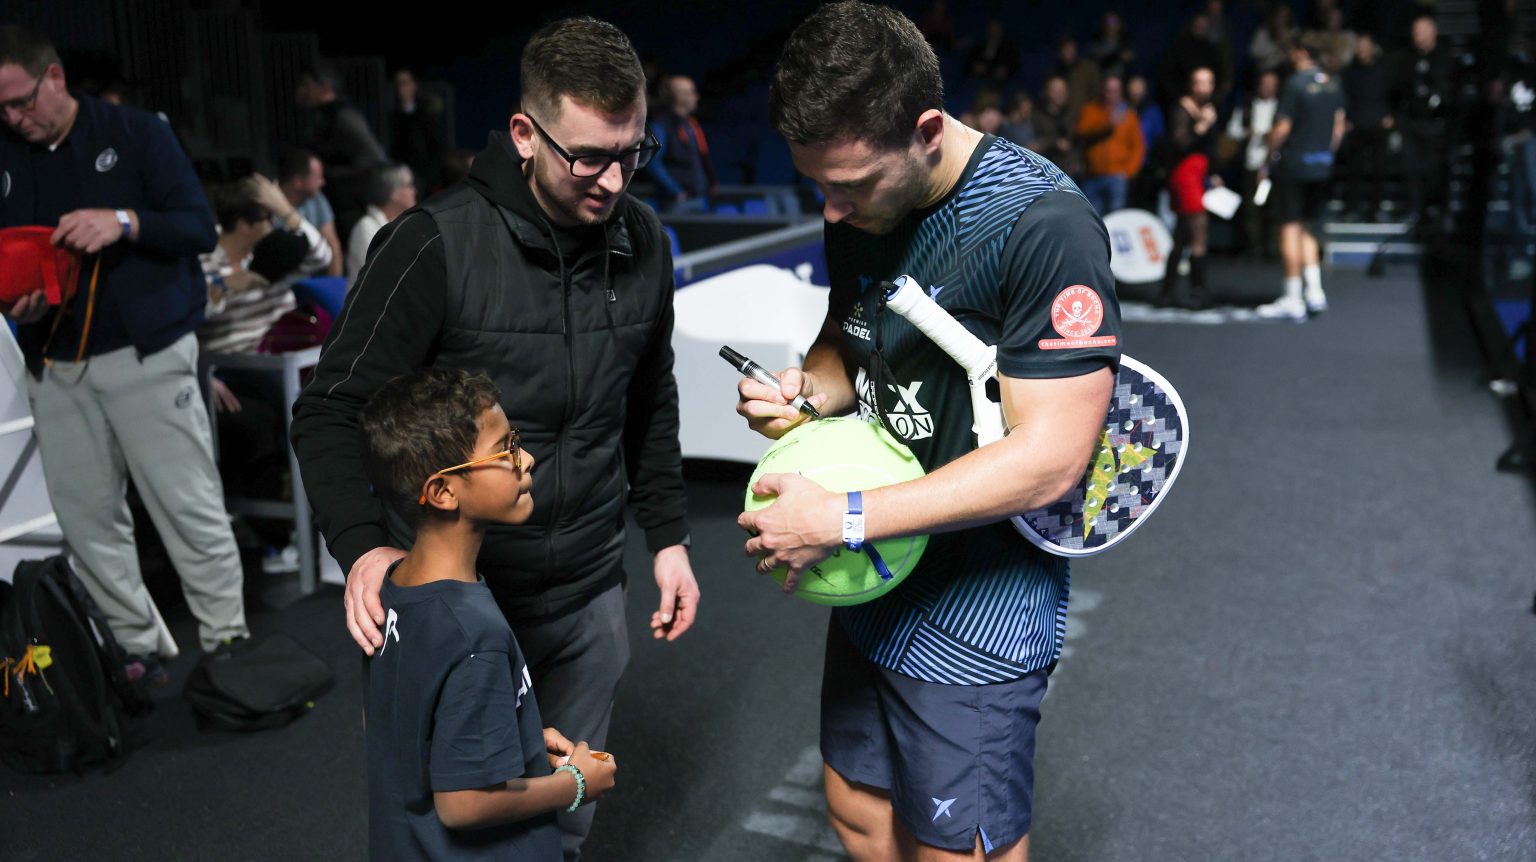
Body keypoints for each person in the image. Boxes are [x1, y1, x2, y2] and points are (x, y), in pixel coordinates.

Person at [289, 18, 699, 861]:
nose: (613, 179)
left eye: (632, 153)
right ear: (524, 133)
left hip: (588, 587)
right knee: (443, 830)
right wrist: (362, 546)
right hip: (458, 603)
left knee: (559, 828)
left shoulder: (644, 240)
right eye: (588, 157)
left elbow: (648, 397)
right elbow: (330, 409)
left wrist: (667, 536)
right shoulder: (432, 243)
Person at [746, 4, 1120, 860]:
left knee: (956, 851)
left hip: (977, 610)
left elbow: (1051, 460)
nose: (831, 210)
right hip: (873, 584)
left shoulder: (1042, 226)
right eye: (817, 185)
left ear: (925, 131)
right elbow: (848, 339)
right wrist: (808, 393)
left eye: (851, 184)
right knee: (856, 810)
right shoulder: (860, 210)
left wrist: (841, 518)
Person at [0, 26, 249, 682]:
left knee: (186, 504)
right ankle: (137, 647)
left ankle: (228, 641)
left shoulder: (135, 132)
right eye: (2, 109)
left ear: (55, 77)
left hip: (147, 354)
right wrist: (19, 303)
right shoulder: (7, 154)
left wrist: (124, 222)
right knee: (87, 517)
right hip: (54, 362)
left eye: (22, 101)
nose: (14, 118)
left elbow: (198, 227)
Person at [358, 367, 617, 862]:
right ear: (442, 492)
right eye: (505, 450)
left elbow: (400, 722)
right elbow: (464, 804)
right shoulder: (475, 634)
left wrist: (513, 736)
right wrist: (576, 784)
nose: (527, 459)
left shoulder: (393, 588)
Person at [1257, 39, 1346, 322]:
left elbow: (1282, 128)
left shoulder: (1295, 84)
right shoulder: (1333, 84)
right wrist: (1325, 155)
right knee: (1310, 228)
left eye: (1292, 52)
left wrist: (1267, 157)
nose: (1290, 57)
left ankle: (1293, 297)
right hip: (1321, 167)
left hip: (1293, 167)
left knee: (1290, 228)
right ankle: (1315, 292)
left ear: (1302, 53)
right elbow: (1338, 127)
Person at [296, 63, 390, 237]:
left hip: (352, 204)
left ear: (324, 87)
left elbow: (375, 157)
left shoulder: (343, 116)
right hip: (338, 202)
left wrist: (335, 174)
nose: (301, 92)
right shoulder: (321, 117)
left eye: (307, 85)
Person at [1161, 67, 1221, 308]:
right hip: (1185, 173)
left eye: (1209, 82)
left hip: (1199, 172)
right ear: (1192, 85)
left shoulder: (1208, 108)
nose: (1205, 87)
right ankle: (1198, 290)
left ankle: (1167, 291)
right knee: (1198, 229)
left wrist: (1214, 173)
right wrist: (1203, 125)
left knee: (1182, 234)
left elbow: (1210, 147)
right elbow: (1180, 143)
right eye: (1200, 82)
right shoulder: (1183, 108)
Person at [1226, 69, 1280, 255]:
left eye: (1271, 85)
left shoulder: (1282, 108)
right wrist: (1246, 132)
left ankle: (1272, 247)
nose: (1267, 88)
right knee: (1251, 208)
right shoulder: (1247, 107)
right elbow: (1232, 131)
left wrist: (1271, 136)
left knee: (1274, 208)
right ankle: (1253, 247)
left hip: (1274, 164)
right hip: (1250, 163)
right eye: (1264, 84)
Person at [644, 75, 717, 212]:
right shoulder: (661, 125)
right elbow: (652, 162)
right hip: (677, 203)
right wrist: (676, 191)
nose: (697, 97)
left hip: (699, 198)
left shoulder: (691, 124)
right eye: (692, 92)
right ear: (679, 97)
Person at [1340, 33, 1394, 219]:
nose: (1361, 49)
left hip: (1379, 124)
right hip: (1356, 123)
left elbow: (1394, 93)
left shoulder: (1384, 69)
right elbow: (1344, 96)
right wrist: (1346, 118)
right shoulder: (1350, 71)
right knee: (1355, 169)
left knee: (1379, 169)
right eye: (1359, 46)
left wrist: (1390, 115)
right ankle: (1352, 207)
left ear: (1373, 47)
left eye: (1365, 45)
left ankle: (1375, 208)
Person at [1075, 75, 1144, 214]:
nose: (1111, 95)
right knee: (1091, 216)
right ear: (1102, 91)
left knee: (1115, 217)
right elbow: (1082, 130)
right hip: (1093, 175)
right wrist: (1107, 124)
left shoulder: (1129, 116)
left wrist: (1129, 171)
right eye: (1108, 90)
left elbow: (1138, 147)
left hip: (1117, 177)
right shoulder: (1091, 110)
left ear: (1121, 92)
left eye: (1115, 91)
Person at [277, 146, 344, 277]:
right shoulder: (267, 205)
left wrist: (335, 286)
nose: (323, 182)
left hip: (313, 281)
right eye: (318, 177)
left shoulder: (317, 199)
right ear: (298, 182)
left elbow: (333, 246)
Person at [346, 163, 416, 282]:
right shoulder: (365, 227)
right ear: (394, 193)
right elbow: (381, 275)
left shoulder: (407, 225)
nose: (414, 190)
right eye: (409, 185)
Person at [390, 69, 443, 196]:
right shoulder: (392, 117)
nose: (402, 88)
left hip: (427, 174)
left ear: (414, 85)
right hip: (405, 174)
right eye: (399, 84)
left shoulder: (428, 113)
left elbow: (436, 144)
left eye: (405, 83)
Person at [1032, 75, 1081, 176]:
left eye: (1063, 91)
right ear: (1047, 92)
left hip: (1067, 171)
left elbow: (1075, 142)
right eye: (1056, 91)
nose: (1060, 94)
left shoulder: (1070, 116)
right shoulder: (1036, 116)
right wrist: (1055, 143)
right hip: (1042, 168)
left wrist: (1077, 161)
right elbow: (1033, 144)